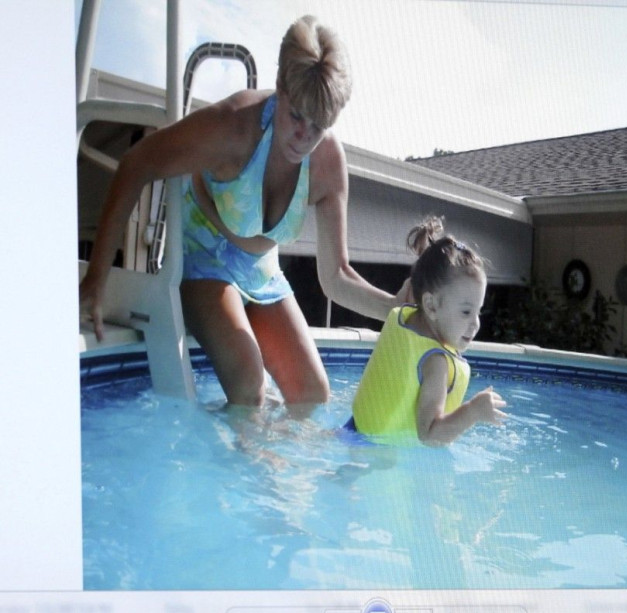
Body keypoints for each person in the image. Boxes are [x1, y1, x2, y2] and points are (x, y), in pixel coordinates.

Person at [79, 15, 407, 413]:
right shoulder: (233, 126)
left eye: (318, 126)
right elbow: (137, 164)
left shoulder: (327, 164)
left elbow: (336, 276)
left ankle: (272, 472)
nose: (303, 137)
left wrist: (394, 308)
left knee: (313, 395)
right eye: (297, 117)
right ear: (281, 88)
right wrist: (95, 280)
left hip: (263, 275)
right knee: (250, 386)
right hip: (204, 263)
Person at [350, 216, 507, 445]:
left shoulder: (407, 315)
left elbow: (422, 282)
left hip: (352, 429)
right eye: (466, 312)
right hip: (377, 456)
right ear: (432, 305)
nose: (476, 324)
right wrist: (472, 412)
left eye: (478, 312)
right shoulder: (436, 362)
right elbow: (429, 435)